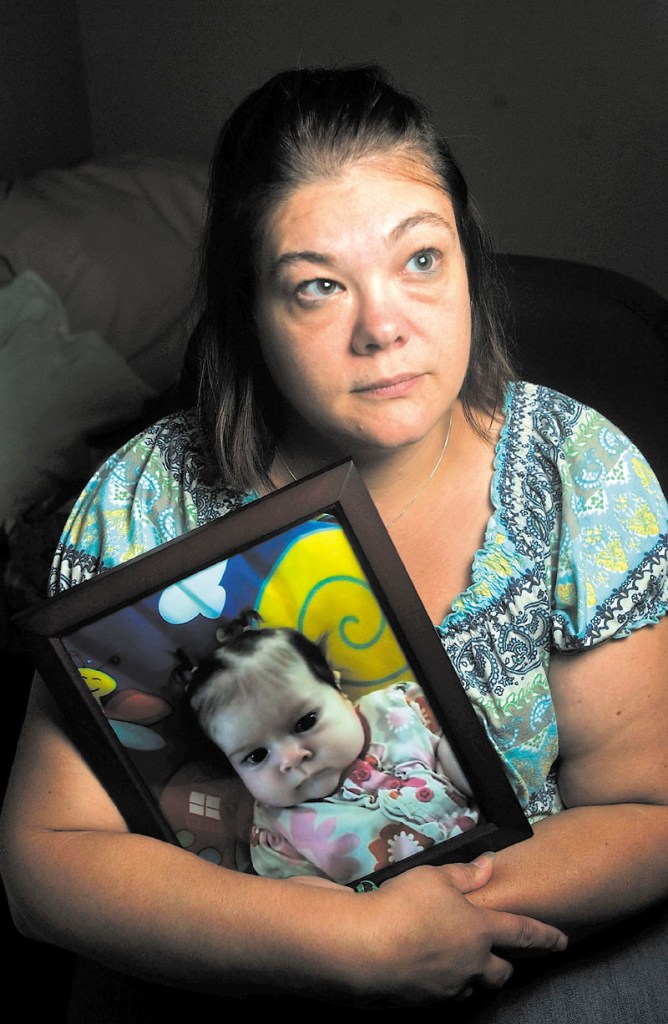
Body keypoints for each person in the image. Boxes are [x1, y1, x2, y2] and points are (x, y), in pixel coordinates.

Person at [1, 63, 666, 1019]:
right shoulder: (143, 500)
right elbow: (45, 862)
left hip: (527, 961)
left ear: (470, 261)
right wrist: (342, 941)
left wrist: (431, 925)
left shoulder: (578, 473)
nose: (384, 327)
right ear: (250, 313)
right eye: (317, 286)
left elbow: (645, 811)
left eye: (422, 260)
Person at [186, 610, 479, 885]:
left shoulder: (395, 711)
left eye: (305, 722)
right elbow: (320, 912)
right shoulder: (280, 837)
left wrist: (454, 760)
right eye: (256, 755)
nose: (291, 758)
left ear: (339, 691)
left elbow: (476, 753)